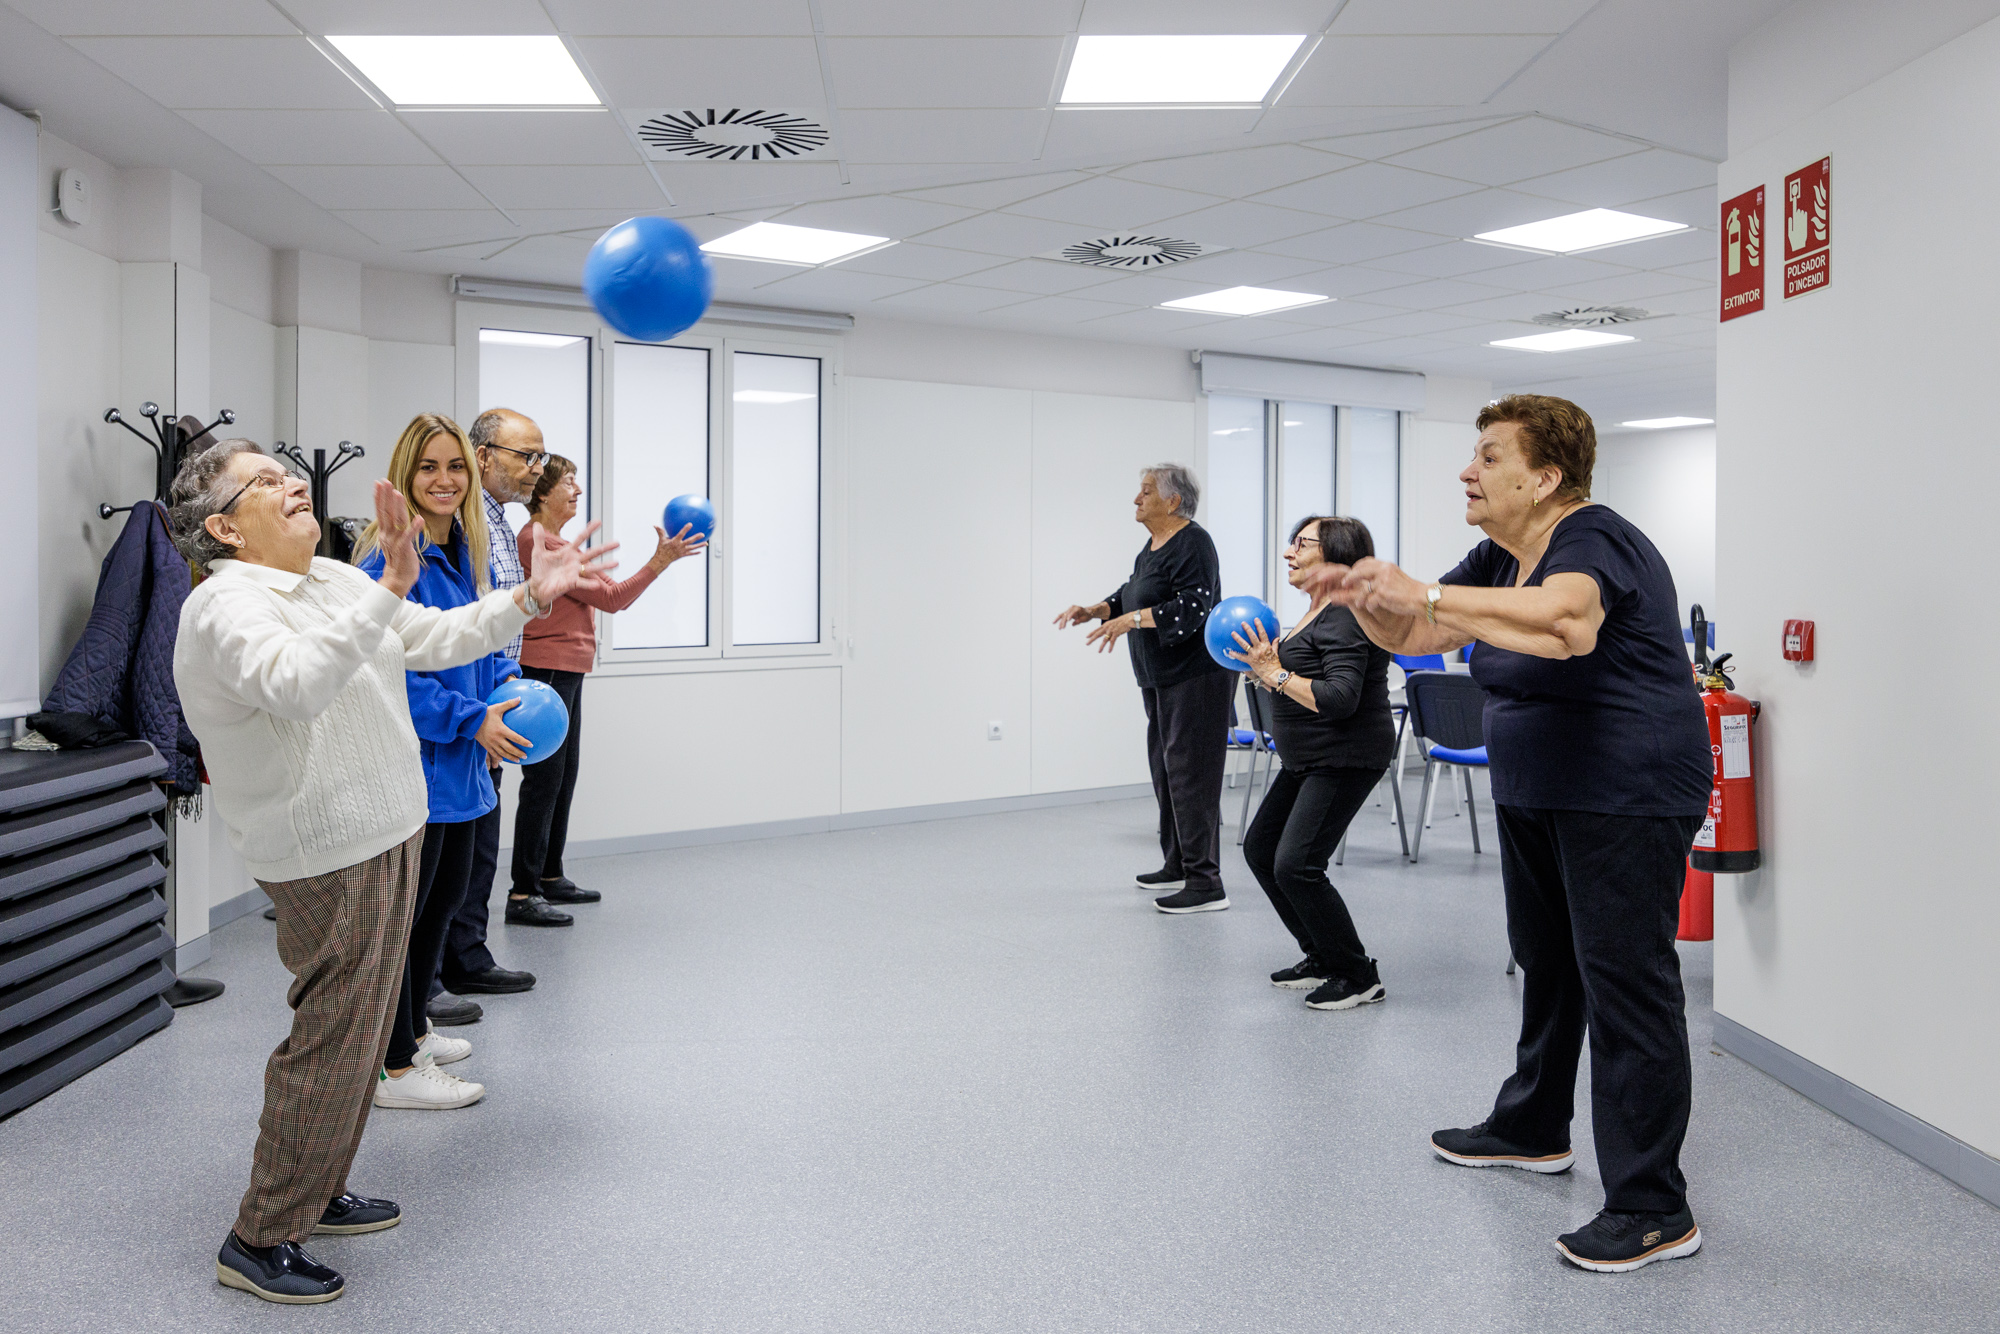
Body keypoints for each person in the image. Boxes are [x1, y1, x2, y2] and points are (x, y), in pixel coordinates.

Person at [170, 440, 615, 1304]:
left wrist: (531, 595)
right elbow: (297, 684)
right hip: (323, 854)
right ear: (223, 527)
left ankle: (316, 1187)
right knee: (335, 1041)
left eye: (286, 472)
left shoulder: (334, 581)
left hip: (388, 830)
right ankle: (260, 1238)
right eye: (263, 482)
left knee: (365, 1037)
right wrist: (385, 590)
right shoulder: (224, 606)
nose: (293, 483)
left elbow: (442, 638)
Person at [1304, 394, 1712, 1274]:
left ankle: (1652, 1204)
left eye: (1490, 457)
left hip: (1624, 792)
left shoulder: (1593, 539)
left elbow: (1570, 626)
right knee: (1549, 962)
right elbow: (1420, 628)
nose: (1468, 470)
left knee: (1626, 984)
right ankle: (1532, 1125)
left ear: (1547, 476)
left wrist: (1428, 592)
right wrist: (1362, 600)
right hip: (1541, 787)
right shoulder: (1502, 553)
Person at [354, 414, 526, 1111]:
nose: (445, 480)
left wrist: (498, 698)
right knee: (407, 920)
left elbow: (474, 651)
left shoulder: (464, 557)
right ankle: (392, 1067)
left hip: (462, 770)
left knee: (441, 909)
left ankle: (414, 1031)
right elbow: (389, 671)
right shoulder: (386, 566)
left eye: (456, 467)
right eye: (429, 467)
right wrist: (469, 719)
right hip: (419, 766)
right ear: (405, 475)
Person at [511, 456, 703, 911]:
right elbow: (615, 598)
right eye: (568, 482)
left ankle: (549, 873)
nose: (577, 490)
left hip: (567, 669)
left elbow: (611, 591)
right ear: (541, 492)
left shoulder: (559, 542)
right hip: (547, 671)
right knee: (544, 780)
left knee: (563, 775)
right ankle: (523, 891)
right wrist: (660, 561)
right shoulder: (538, 542)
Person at [1229, 516, 1394, 1011]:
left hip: (1344, 756)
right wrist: (1270, 671)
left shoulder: (1345, 614)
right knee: (1261, 850)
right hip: (1307, 757)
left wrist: (1274, 674)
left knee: (1297, 864)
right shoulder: (1313, 611)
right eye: (1292, 543)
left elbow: (1341, 697)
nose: (1289, 553)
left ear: (1336, 555)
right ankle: (1322, 956)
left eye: (1302, 544)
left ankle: (1358, 975)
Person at [1055, 464, 1231, 914]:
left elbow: (1194, 606)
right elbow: (1134, 591)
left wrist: (1130, 620)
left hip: (1196, 676)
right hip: (1159, 677)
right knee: (1166, 770)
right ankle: (1178, 863)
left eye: (1146, 491)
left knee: (1191, 774)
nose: (1137, 499)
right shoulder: (1153, 547)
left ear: (1173, 501)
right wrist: (1096, 609)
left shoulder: (1194, 542)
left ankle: (1206, 882)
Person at [434, 407, 562, 997]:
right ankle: (435, 975)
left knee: (479, 844)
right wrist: (473, 713)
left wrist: (504, 688)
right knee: (449, 857)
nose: (536, 469)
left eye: (539, 457)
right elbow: (456, 627)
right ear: (483, 456)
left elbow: (499, 624)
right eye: (525, 455)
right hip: (461, 707)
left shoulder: (499, 525)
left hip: (493, 698)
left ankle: (466, 957)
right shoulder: (463, 527)